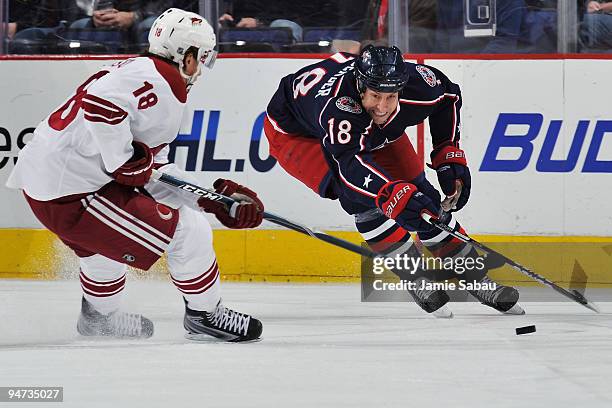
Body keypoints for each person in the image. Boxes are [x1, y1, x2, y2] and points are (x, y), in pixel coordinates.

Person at [6, 8, 263, 342]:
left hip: (53, 184)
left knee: (104, 253)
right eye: (203, 59)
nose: (201, 70)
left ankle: (99, 320)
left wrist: (214, 198)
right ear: (187, 58)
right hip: (71, 193)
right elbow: (99, 105)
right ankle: (205, 315)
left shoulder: (142, 71)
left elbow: (157, 171)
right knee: (187, 230)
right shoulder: (159, 81)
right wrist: (121, 160)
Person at [264, 46, 524, 317]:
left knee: (421, 196)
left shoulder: (418, 83)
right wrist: (387, 192)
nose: (382, 106)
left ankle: (476, 278)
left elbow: (449, 96)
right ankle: (415, 276)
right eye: (375, 95)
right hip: (296, 134)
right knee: (360, 198)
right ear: (361, 86)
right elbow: (349, 164)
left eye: (391, 97)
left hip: (364, 129)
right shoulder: (339, 109)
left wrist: (447, 150)